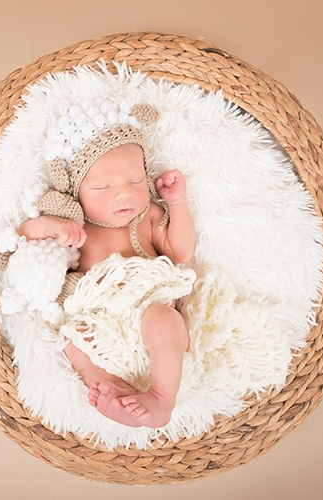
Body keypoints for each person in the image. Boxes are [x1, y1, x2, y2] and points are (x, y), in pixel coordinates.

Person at [17, 142, 195, 428]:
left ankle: (162, 398)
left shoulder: (146, 216)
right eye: (103, 187)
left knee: (165, 322)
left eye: (136, 181)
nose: (125, 193)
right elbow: (21, 238)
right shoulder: (75, 224)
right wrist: (51, 227)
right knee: (74, 342)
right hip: (100, 318)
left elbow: (181, 252)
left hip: (147, 309)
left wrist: (177, 202)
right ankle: (113, 388)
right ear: (77, 192)